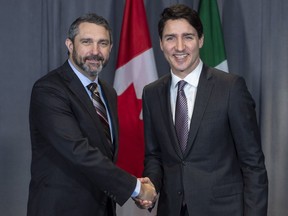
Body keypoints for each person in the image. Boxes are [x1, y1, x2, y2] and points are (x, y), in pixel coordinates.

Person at [139, 4, 268, 216]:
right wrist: (150, 186)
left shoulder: (230, 88)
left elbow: (253, 164)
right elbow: (154, 156)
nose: (179, 47)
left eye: (188, 37)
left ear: (201, 40)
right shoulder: (151, 93)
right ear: (161, 44)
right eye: (170, 38)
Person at [27, 13, 156, 216]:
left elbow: (105, 153)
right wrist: (136, 188)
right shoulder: (49, 89)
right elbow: (78, 151)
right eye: (86, 42)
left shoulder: (108, 92)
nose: (95, 51)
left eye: (102, 43)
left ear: (110, 49)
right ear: (70, 45)